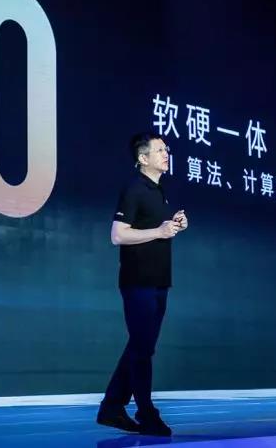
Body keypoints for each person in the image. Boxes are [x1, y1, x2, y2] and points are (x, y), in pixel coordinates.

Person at [96, 132, 188, 437]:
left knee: (141, 346)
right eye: (159, 150)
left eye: (166, 149)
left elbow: (155, 229)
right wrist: (159, 232)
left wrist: (174, 225)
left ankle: (112, 407)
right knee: (142, 348)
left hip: (160, 281)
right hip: (138, 281)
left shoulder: (159, 191)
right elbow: (118, 235)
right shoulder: (135, 188)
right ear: (142, 158)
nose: (166, 153)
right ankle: (147, 413)